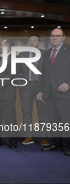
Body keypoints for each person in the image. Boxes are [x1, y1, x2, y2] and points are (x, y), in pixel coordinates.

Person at [37, 28, 70, 156]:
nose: (54, 38)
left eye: (57, 35)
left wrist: (69, 84)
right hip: (49, 94)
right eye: (52, 35)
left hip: (65, 94)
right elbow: (44, 74)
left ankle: (68, 145)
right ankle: (56, 144)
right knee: (53, 121)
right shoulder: (47, 53)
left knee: (66, 121)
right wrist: (41, 90)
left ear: (63, 37)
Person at [16, 35, 48, 146]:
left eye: (34, 41)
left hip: (40, 88)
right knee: (26, 113)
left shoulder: (44, 54)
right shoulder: (22, 55)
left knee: (42, 113)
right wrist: (21, 85)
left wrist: (44, 89)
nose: (31, 42)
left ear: (38, 43)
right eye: (30, 41)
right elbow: (16, 72)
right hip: (26, 88)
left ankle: (44, 137)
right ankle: (29, 136)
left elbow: (47, 73)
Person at [0, 39, 18, 148]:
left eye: (1, 45)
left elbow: (12, 76)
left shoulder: (14, 58)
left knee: (10, 119)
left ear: (8, 46)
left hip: (7, 93)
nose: (0, 47)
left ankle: (13, 142)